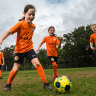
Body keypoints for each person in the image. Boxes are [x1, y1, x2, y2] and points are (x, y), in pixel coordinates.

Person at [0, 4, 52, 91]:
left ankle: (46, 84)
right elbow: (9, 32)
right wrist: (1, 39)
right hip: (19, 50)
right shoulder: (20, 24)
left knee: (37, 64)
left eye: (33, 15)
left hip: (29, 49)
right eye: (29, 14)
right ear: (24, 14)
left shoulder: (33, 27)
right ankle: (8, 84)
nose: (31, 16)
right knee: (16, 68)